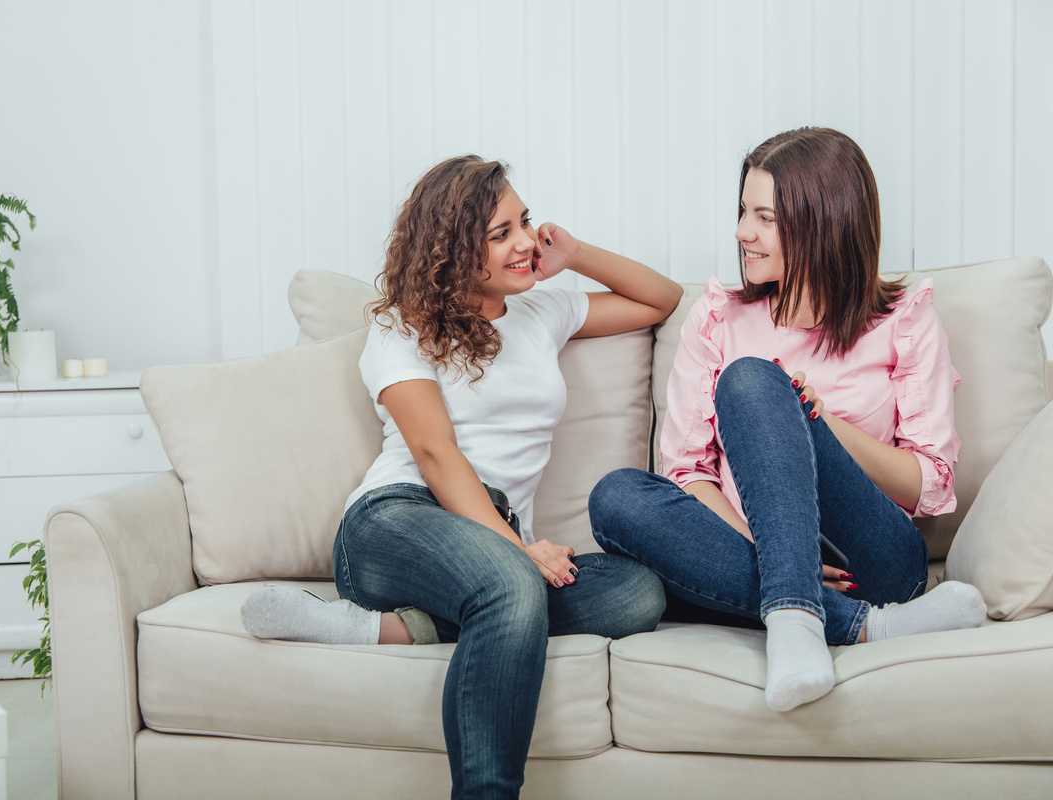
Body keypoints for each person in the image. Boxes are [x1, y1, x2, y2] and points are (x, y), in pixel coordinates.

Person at [242, 155, 683, 799]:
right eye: (501, 232)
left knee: (637, 592)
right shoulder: (400, 328)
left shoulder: (543, 314)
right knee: (512, 585)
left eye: (525, 222)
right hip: (394, 521)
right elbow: (435, 454)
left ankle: (386, 629)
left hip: (491, 537)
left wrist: (576, 254)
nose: (526, 241)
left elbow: (661, 299)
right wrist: (520, 552)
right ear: (452, 249)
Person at [589, 127, 987, 714]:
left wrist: (820, 419)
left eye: (764, 217)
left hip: (868, 559)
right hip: (750, 550)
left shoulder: (905, 320)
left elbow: (931, 485)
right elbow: (688, 473)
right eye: (742, 211)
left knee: (753, 380)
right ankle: (844, 624)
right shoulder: (718, 318)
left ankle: (807, 613)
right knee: (615, 496)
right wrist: (776, 555)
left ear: (825, 223)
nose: (741, 232)